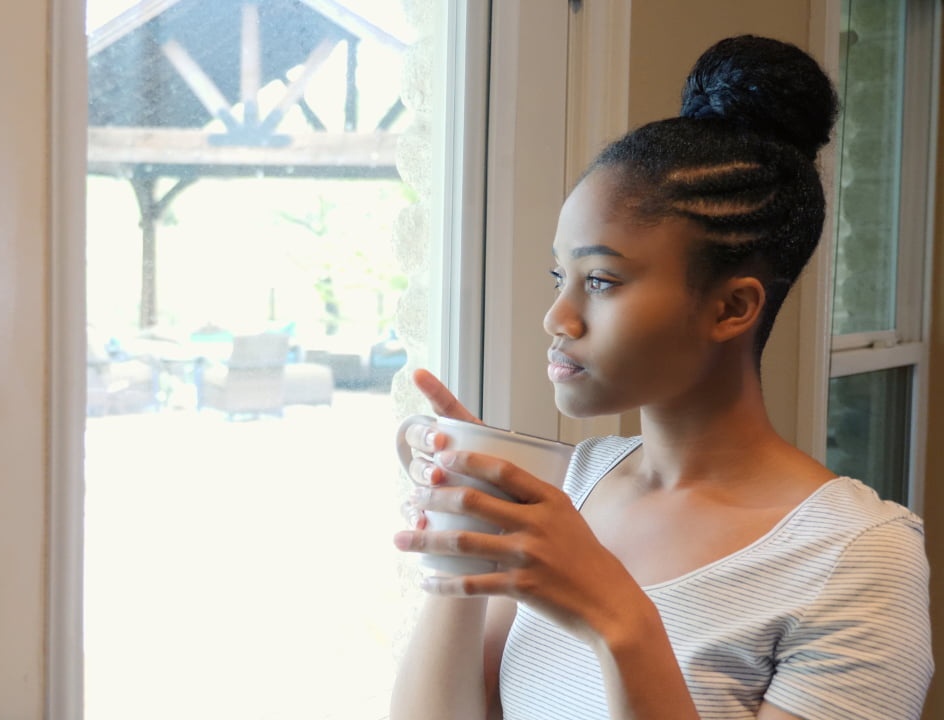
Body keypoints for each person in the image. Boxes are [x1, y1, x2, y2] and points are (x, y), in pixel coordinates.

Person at [389, 35, 933, 720]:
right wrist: (460, 545)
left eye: (602, 280)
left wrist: (615, 615)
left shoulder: (857, 557)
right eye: (561, 276)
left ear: (733, 307)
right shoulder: (572, 489)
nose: (559, 315)